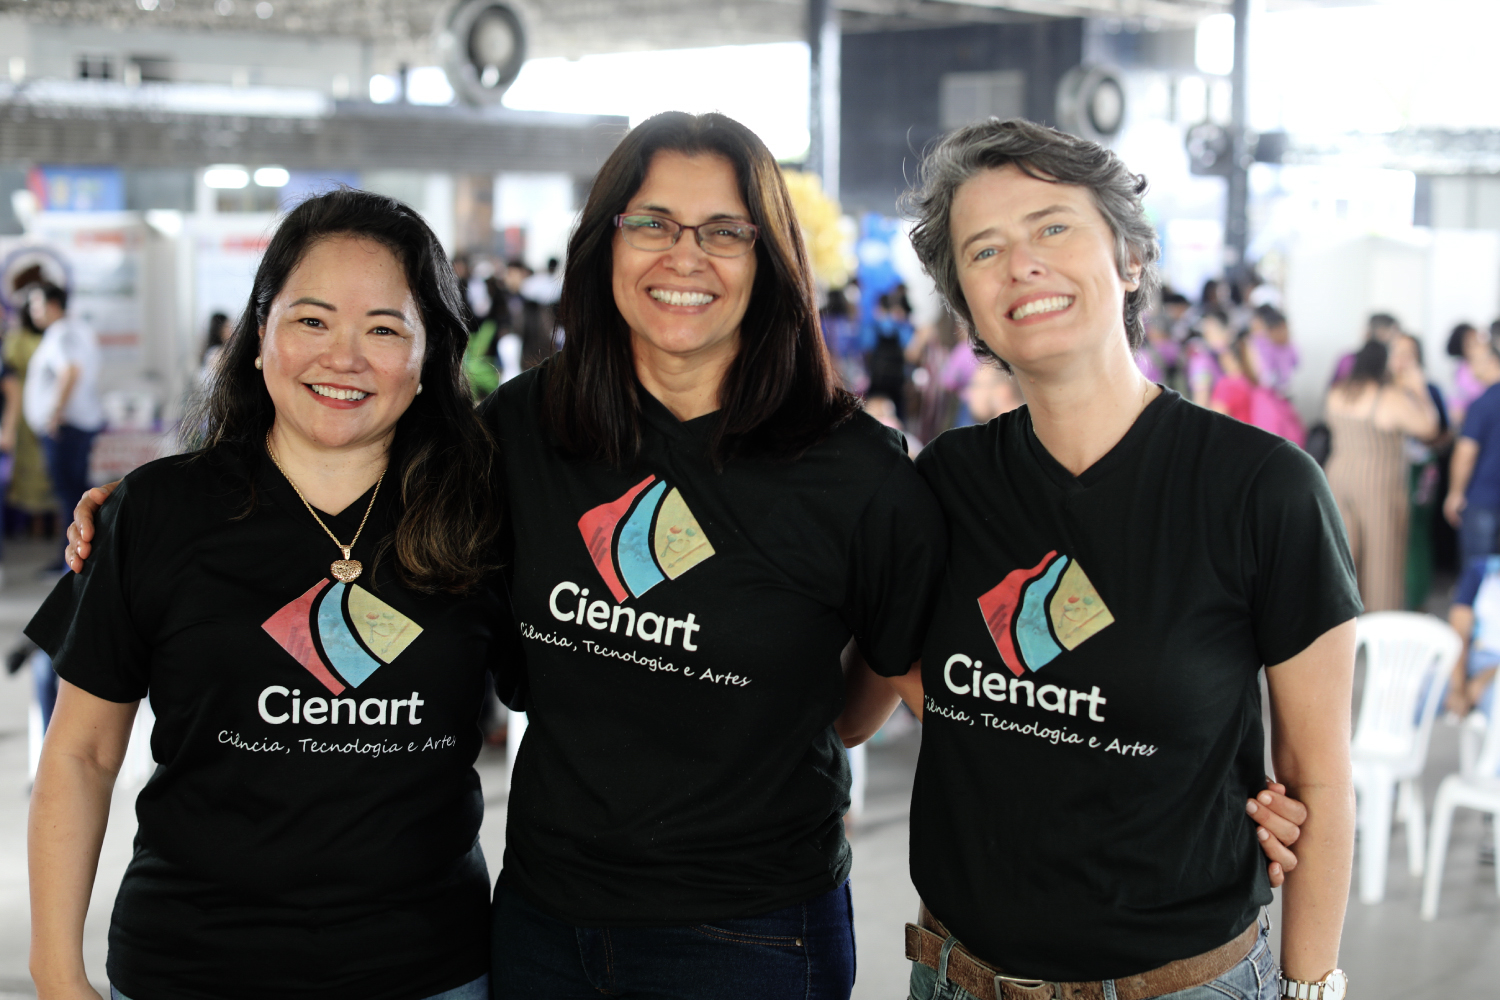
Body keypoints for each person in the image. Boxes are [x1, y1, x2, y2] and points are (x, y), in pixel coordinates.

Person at [64, 113, 1308, 1000]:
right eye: (651, 221)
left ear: (769, 262)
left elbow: (916, 675)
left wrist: (1205, 792)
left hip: (752, 932)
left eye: (724, 230)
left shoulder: (856, 469)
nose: (684, 255)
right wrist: (155, 502)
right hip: (541, 918)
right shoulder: (524, 429)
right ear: (604, 246)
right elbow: (351, 465)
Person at [891, 117, 1358, 1000]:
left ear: (1130, 258)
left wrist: (1309, 987)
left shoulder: (1265, 490)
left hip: (1184, 983)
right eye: (983, 250)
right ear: (968, 304)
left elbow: (1320, 780)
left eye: (1053, 227)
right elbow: (899, 666)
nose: (1021, 263)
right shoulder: (947, 483)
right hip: (961, 977)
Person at [28, 190, 509, 1000]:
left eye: (385, 329)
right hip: (190, 967)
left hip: (426, 972)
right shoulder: (156, 513)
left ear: (429, 356)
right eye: (311, 320)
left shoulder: (486, 515)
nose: (344, 357)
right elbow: (82, 753)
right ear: (259, 337)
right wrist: (54, 973)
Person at [1324, 340, 1439, 612]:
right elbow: (1429, 429)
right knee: (1383, 559)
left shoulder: (1338, 392)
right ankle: (1380, 626)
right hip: (1377, 482)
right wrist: (1419, 390)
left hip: (1338, 477)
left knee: (1342, 554)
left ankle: (1340, 623)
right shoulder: (1387, 397)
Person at [23, 281, 105, 570]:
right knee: (75, 493)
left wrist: (55, 413)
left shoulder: (61, 334)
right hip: (75, 425)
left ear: (53, 305)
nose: (33, 311)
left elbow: (70, 370)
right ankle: (74, 557)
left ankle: (71, 561)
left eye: (36, 304)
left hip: (66, 427)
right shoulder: (78, 330)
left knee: (70, 495)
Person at [1444, 345, 1500, 569]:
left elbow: (1465, 453)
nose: (1470, 368)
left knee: (1478, 570)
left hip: (1483, 497)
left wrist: (1455, 493)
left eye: (1475, 361)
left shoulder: (1482, 404)